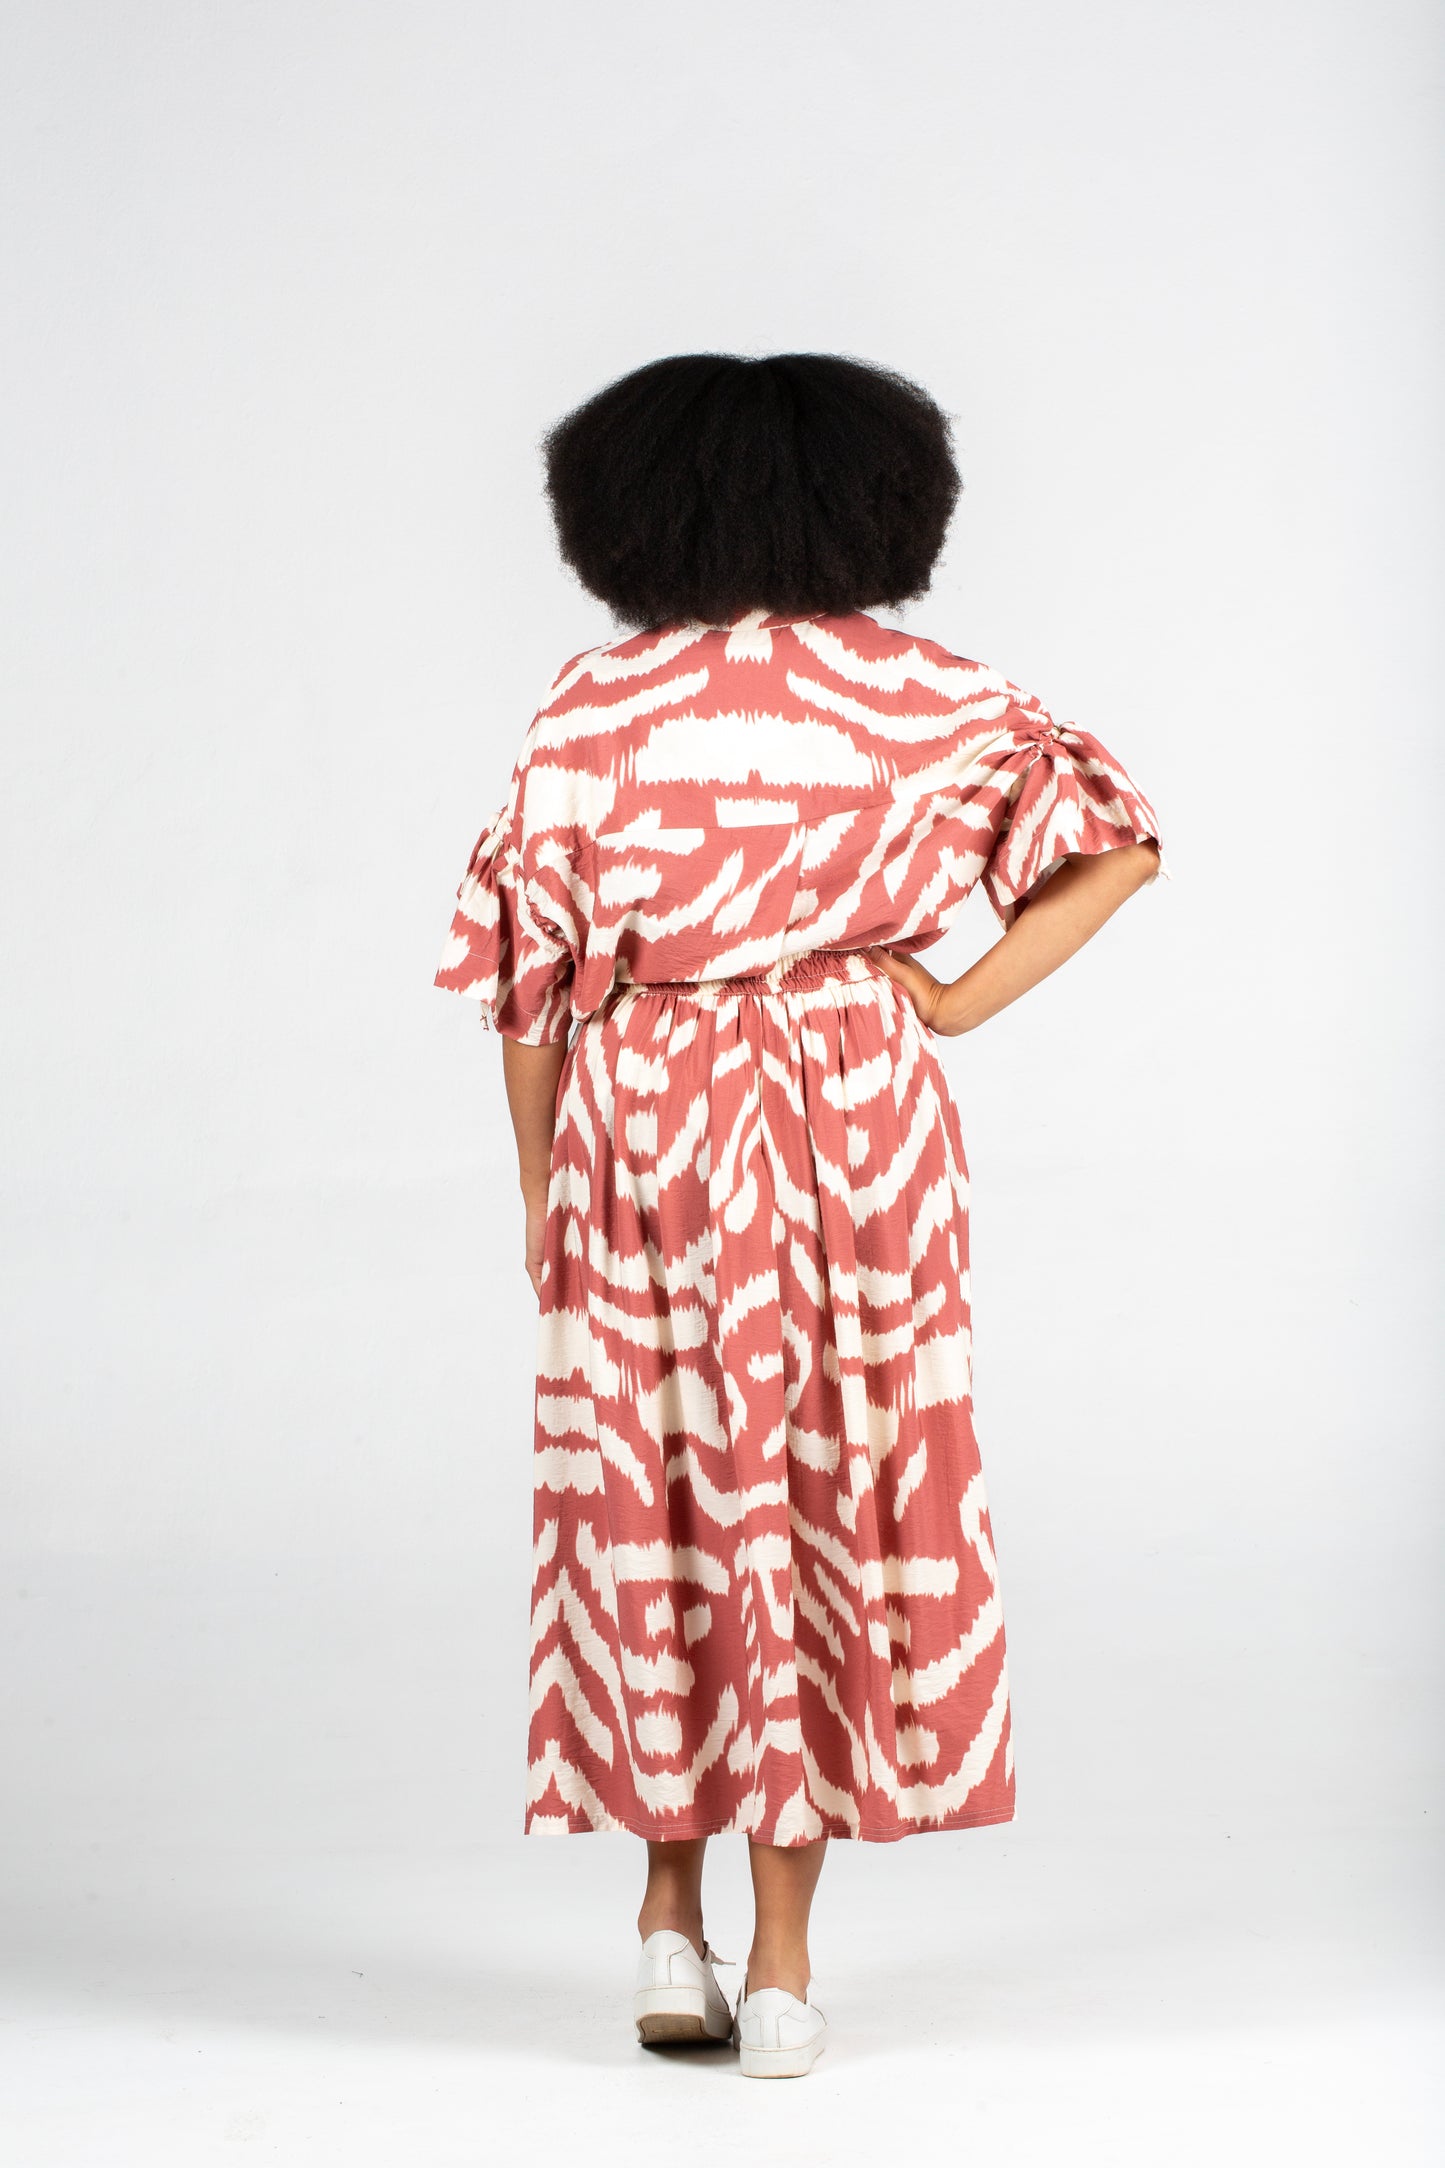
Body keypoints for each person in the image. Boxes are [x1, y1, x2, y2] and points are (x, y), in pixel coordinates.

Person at [434, 352, 1169, 2079]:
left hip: (644, 1114)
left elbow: (530, 985)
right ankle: (779, 1969)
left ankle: (660, 1927)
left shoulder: (592, 704)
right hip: (853, 1115)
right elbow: (1116, 846)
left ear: (635, 509)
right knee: (825, 1491)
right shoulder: (932, 696)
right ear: (878, 500)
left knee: (653, 1491)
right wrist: (955, 1000)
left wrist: (542, 1190)